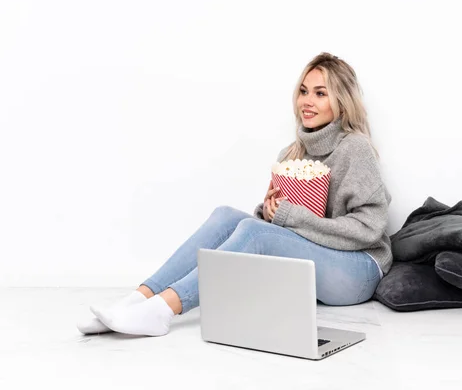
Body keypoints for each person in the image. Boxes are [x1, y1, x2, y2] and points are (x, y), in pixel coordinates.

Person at [77, 52, 393, 337]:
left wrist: (288, 217)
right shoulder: (292, 153)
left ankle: (161, 311)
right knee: (226, 216)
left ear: (341, 101)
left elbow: (369, 229)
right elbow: (285, 234)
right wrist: (269, 213)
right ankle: (136, 300)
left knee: (255, 232)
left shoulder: (354, 148)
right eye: (303, 91)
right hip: (314, 265)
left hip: (359, 270)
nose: (307, 101)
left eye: (320, 93)